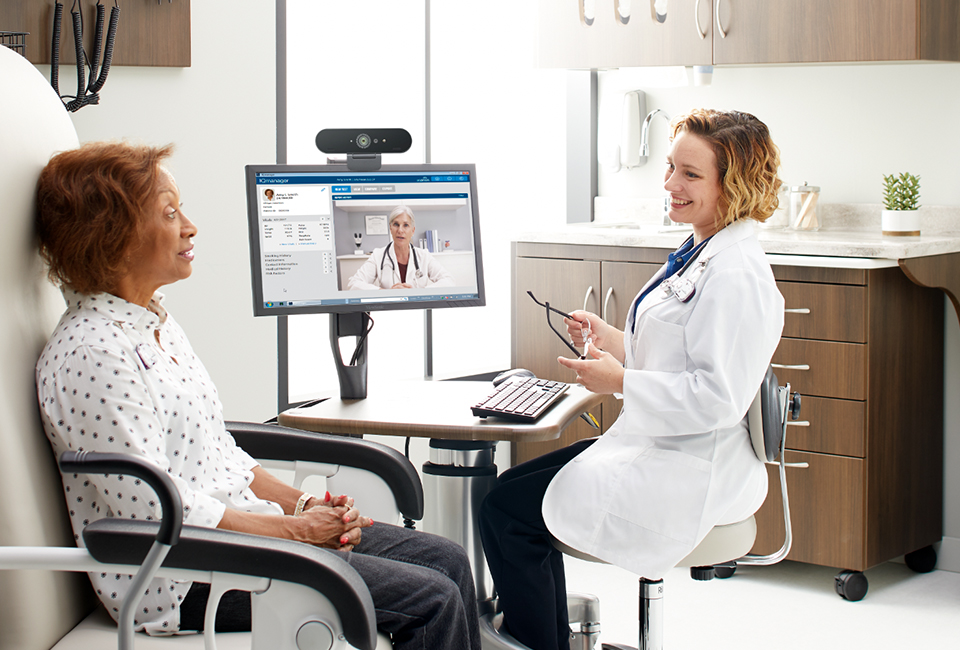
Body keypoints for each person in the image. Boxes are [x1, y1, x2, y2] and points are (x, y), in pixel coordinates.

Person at [35, 141, 481, 650]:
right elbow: (156, 514)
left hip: (241, 538)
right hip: (187, 576)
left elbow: (220, 456)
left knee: (448, 558)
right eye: (169, 212)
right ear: (111, 236)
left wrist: (307, 504)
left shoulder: (153, 322)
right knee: (433, 600)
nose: (190, 226)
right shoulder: (94, 354)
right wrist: (296, 533)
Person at [479, 109, 785, 650]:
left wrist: (620, 380)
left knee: (508, 512)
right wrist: (614, 340)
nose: (670, 184)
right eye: (671, 168)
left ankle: (536, 640)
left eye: (690, 174)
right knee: (507, 498)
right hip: (661, 443)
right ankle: (541, 638)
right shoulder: (702, 250)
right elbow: (674, 354)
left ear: (731, 183)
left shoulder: (737, 274)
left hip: (692, 469)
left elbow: (716, 398)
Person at [347, 205, 454, 290]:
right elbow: (353, 284)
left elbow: (448, 281)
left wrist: (418, 293)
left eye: (406, 225)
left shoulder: (424, 256)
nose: (400, 230)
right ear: (390, 228)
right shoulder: (378, 256)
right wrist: (385, 293)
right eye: (396, 224)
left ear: (412, 231)